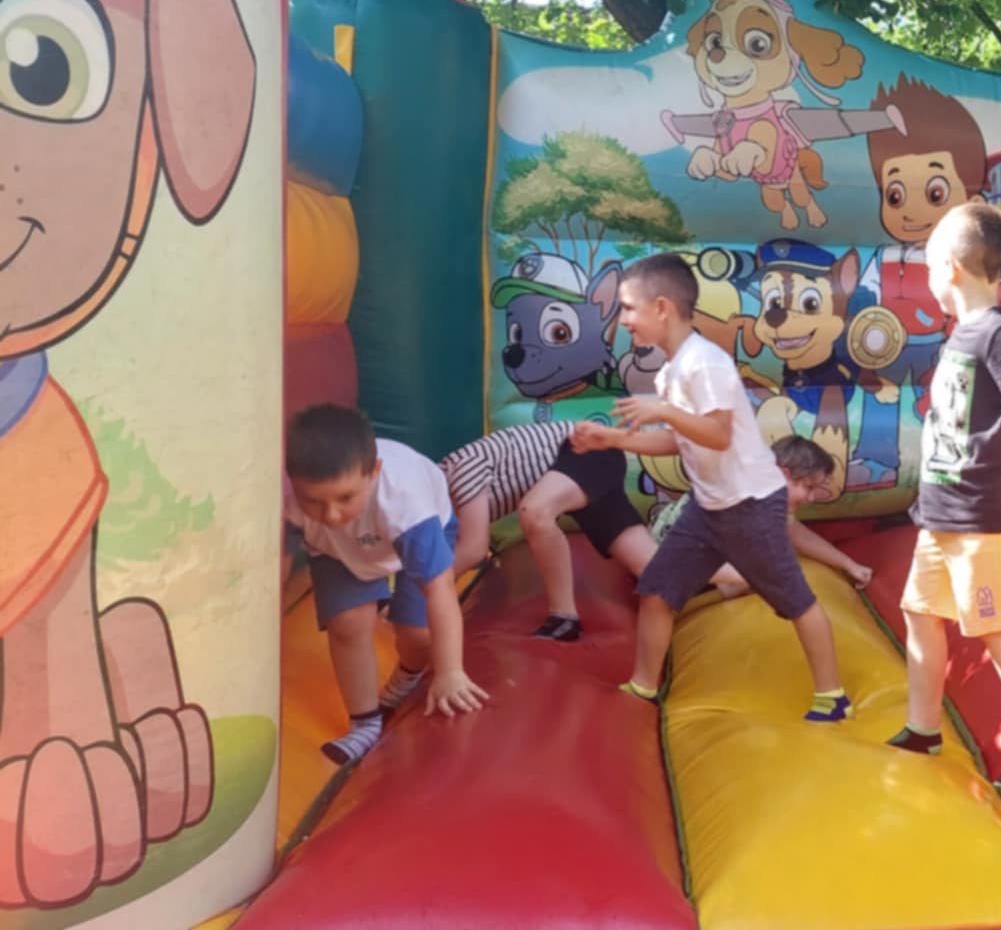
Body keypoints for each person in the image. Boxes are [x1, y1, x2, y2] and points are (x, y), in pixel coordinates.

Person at [573, 254, 850, 722]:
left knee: (795, 600)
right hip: (708, 508)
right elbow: (680, 441)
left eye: (629, 308)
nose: (624, 321)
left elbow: (718, 434)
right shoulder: (671, 371)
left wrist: (663, 410)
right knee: (658, 589)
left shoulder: (705, 363)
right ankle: (643, 685)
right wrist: (614, 439)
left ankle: (833, 695)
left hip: (750, 505)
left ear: (662, 307)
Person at [887, 203, 1001, 790]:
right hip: (944, 511)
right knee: (920, 612)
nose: (929, 280)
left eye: (928, 268)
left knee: (992, 625)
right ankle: (923, 726)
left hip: (984, 517)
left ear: (951, 268)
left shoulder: (996, 333)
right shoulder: (963, 333)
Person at [285, 405, 490, 764]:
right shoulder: (289, 503)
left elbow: (440, 590)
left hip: (410, 534)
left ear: (374, 473)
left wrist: (450, 672)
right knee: (347, 624)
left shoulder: (404, 502)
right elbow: (279, 563)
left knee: (417, 635)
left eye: (345, 498)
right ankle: (364, 724)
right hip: (336, 551)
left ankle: (408, 675)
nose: (331, 514)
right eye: (313, 502)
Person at [439, 421, 659, 641]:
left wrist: (429, 589)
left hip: (583, 448)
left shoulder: (458, 471)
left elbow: (474, 548)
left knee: (535, 512)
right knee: (655, 571)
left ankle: (564, 617)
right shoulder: (447, 504)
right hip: (587, 466)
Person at [705, 435, 875, 600]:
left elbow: (797, 534)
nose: (811, 498)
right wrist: (745, 577)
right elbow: (690, 558)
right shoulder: (737, 500)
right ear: (783, 474)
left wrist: (849, 565)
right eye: (808, 487)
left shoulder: (766, 502)